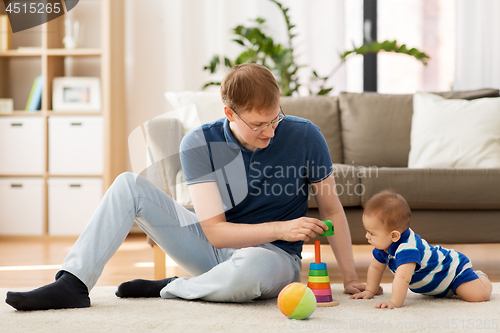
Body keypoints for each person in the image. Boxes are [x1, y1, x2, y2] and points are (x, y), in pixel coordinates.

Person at [6, 63, 366, 311]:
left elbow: (332, 209)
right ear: (229, 113)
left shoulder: (305, 135)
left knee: (250, 269)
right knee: (128, 185)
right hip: (213, 250)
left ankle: (168, 287)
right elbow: (215, 233)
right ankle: (72, 282)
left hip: (273, 258)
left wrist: (350, 279)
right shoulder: (199, 143)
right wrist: (285, 227)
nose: (270, 132)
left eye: (275, 119)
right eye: (258, 125)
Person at [351, 189, 492, 309]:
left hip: (452, 272)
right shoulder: (384, 246)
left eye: (372, 233)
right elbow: (376, 268)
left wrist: (394, 302)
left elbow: (403, 278)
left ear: (394, 235)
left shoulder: (408, 249)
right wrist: (370, 290)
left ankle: (479, 277)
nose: (366, 236)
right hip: (437, 284)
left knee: (479, 296)